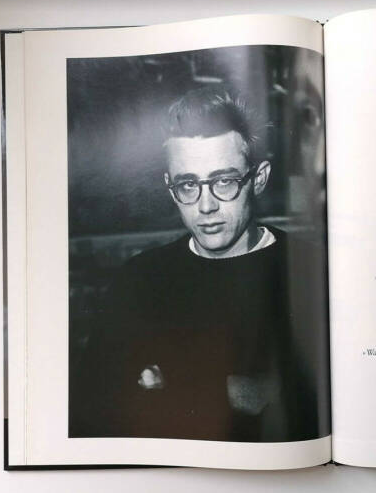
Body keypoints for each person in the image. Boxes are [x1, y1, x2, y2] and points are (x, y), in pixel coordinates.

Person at [69, 87, 328, 443]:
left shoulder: (313, 270)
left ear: (259, 179)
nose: (206, 206)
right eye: (188, 185)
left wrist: (170, 386)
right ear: (170, 187)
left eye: (224, 181)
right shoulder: (138, 279)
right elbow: (89, 416)